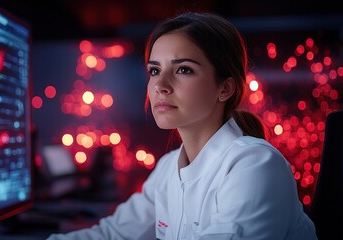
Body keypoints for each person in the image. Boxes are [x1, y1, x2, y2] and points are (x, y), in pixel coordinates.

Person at [46, 12, 317, 240]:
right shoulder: (167, 168)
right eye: (154, 70)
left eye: (183, 69)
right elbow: (113, 234)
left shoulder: (255, 165)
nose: (161, 85)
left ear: (224, 88)